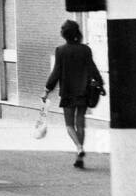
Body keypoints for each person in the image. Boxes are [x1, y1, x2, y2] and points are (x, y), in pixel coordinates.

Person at [43, 18, 104, 169]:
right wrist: (100, 83)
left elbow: (56, 72)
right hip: (83, 92)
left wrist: (47, 89)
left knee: (69, 125)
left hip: (68, 92)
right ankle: (79, 158)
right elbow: (92, 68)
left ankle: (78, 147)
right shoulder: (85, 49)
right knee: (80, 123)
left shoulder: (61, 50)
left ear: (64, 34)